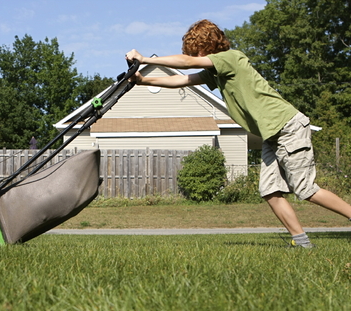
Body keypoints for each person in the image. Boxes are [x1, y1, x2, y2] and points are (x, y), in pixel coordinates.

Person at [126, 19, 351, 248]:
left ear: (209, 47)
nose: (196, 56)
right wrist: (143, 80)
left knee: (305, 189)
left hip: (287, 127)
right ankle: (302, 243)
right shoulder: (214, 73)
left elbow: (186, 64)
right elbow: (181, 80)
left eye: (199, 51)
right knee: (270, 191)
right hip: (271, 135)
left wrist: (145, 59)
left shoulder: (232, 58)